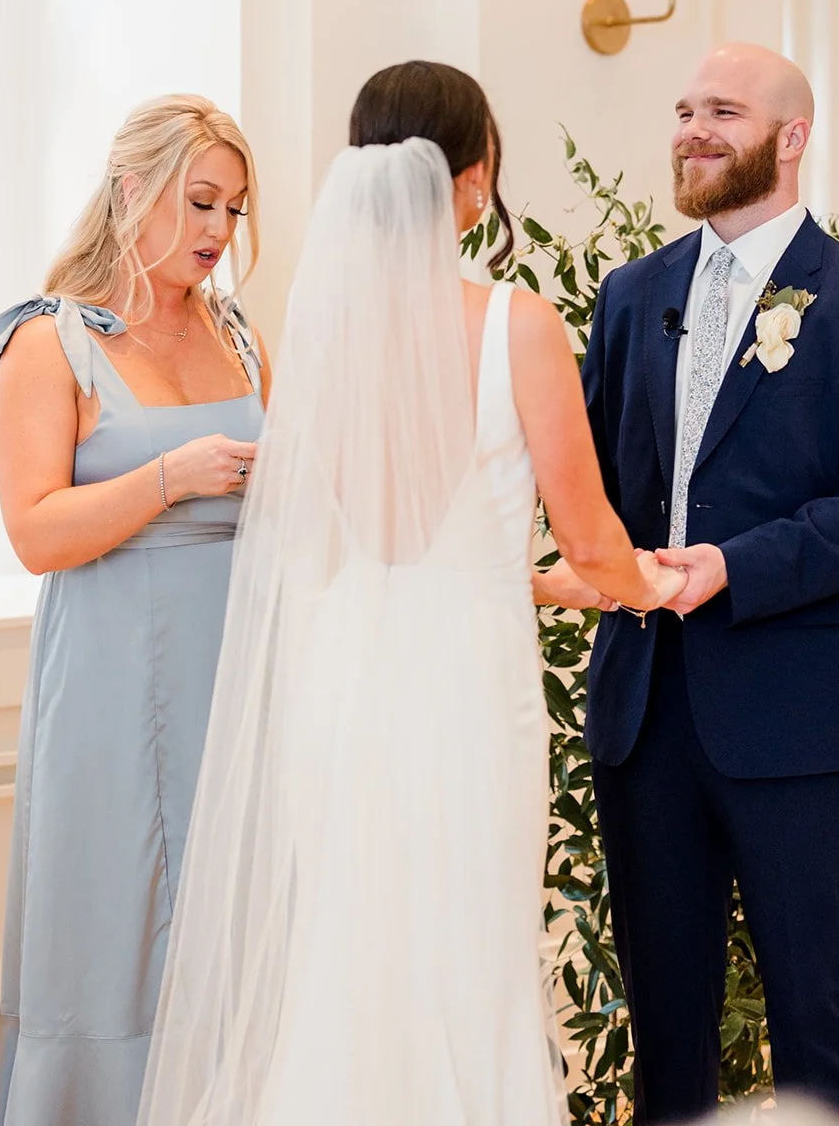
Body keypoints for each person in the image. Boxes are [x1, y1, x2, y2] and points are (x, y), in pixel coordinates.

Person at [137, 60, 684, 1126]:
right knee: (463, 945)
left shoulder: (317, 345)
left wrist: (541, 581)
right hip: (466, 693)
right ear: (472, 178)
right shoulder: (516, 324)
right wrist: (650, 586)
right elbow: (590, 534)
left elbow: (345, 550)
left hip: (339, 687)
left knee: (348, 947)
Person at [582, 42, 839, 1125]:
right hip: (642, 712)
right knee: (664, 1021)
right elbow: (593, 483)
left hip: (792, 718)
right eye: (684, 109)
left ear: (789, 138)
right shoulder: (631, 293)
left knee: (814, 1009)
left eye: (722, 112)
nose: (692, 129)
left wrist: (733, 567)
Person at [0, 95, 269, 1126]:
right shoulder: (49, 343)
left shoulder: (236, 331)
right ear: (132, 190)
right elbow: (33, 531)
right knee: (110, 934)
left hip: (239, 680)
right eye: (199, 202)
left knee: (234, 932)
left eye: (233, 210)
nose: (217, 232)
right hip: (109, 681)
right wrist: (169, 479)